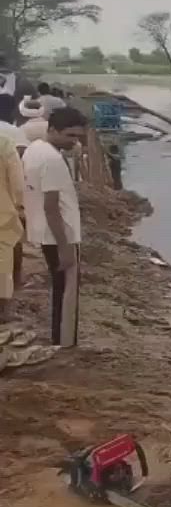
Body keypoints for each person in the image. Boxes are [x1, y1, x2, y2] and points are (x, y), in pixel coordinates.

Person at [24, 107, 88, 347]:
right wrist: (65, 247)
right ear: (52, 130)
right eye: (70, 136)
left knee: (60, 286)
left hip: (45, 231)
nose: (75, 141)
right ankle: (64, 343)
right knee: (67, 291)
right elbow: (51, 206)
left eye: (78, 136)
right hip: (61, 234)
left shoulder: (35, 149)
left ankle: (59, 338)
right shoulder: (52, 159)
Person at [0, 131, 21, 325]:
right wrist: (19, 205)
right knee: (3, 261)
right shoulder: (4, 143)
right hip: (2, 212)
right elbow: (18, 184)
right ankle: (4, 310)